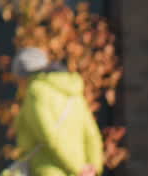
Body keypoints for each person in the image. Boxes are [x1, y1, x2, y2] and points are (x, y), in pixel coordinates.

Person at [11, 47, 104, 176]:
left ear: (23, 75)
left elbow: (49, 137)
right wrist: (92, 168)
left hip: (48, 170)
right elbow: (91, 134)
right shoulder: (73, 92)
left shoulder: (35, 92)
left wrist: (78, 168)